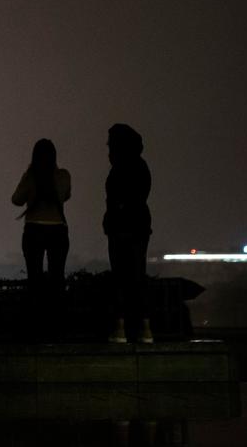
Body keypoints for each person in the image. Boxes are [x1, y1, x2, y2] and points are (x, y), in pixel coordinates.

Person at [11, 139, 72, 335]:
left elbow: (16, 199)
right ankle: (58, 324)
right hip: (58, 229)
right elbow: (67, 195)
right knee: (57, 277)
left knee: (34, 278)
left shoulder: (31, 177)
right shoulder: (63, 176)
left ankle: (35, 325)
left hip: (34, 229)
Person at [103, 123, 153, 344]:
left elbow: (115, 199)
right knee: (137, 275)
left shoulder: (118, 170)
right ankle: (144, 328)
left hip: (120, 227)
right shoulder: (142, 167)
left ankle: (121, 327)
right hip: (139, 226)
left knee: (120, 278)